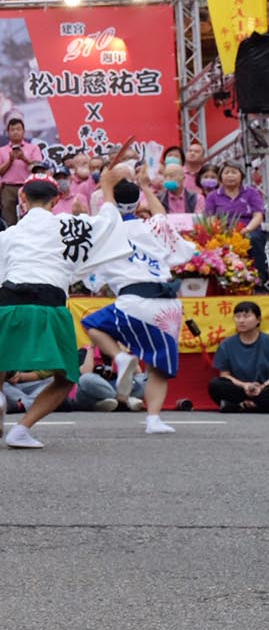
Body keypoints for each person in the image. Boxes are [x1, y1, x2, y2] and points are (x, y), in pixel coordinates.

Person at [0, 169, 133, 448]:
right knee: (66, 377)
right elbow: (108, 223)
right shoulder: (69, 224)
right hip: (50, 300)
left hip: (12, 298)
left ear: (23, 199)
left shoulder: (11, 233)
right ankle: (22, 429)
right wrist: (106, 187)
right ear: (56, 201)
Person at [80, 173, 198, 435]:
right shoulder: (152, 227)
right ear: (137, 203)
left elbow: (90, 279)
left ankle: (121, 357)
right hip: (168, 306)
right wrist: (146, 187)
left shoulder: (105, 231)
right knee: (158, 366)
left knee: (92, 325)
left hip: (134, 302)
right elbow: (160, 213)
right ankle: (153, 419)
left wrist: (107, 188)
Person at [204, 163, 266, 283]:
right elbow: (210, 218)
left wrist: (246, 230)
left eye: (234, 172)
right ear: (220, 176)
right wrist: (220, 231)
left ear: (241, 176)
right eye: (226, 173)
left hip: (248, 230)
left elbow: (258, 215)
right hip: (223, 231)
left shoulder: (251, 192)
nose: (230, 176)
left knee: (254, 238)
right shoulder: (213, 196)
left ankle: (260, 278)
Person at [209, 300, 269, 412]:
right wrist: (245, 385)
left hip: (264, 388)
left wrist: (261, 387)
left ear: (258, 320)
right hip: (241, 389)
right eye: (237, 316)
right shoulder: (226, 344)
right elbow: (225, 375)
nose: (241, 320)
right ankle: (253, 405)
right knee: (215, 384)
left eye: (246, 316)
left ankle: (240, 406)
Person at [0, 117, 45, 227]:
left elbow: (39, 167)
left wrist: (24, 158)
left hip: (28, 187)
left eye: (18, 129)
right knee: (9, 219)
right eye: (12, 130)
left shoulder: (33, 148)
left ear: (23, 132)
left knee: (30, 217)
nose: (15, 132)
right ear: (8, 133)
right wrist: (9, 161)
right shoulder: (1, 151)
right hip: (8, 188)